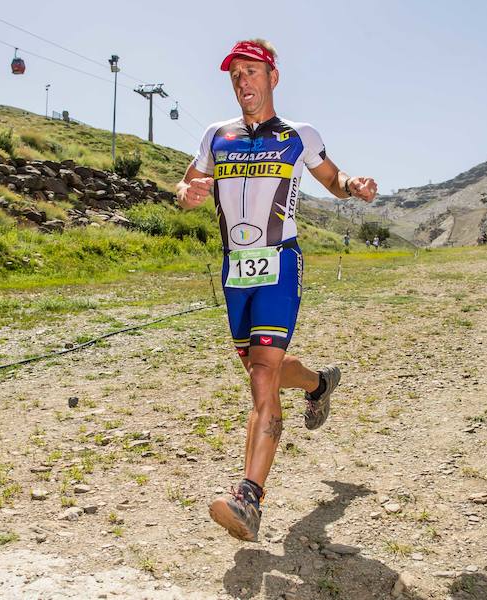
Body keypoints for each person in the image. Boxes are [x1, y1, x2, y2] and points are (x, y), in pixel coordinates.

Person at [176, 39, 377, 542]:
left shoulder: (297, 135)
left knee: (263, 375)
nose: (243, 81)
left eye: (251, 71)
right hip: (234, 269)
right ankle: (317, 384)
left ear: (272, 77)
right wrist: (188, 193)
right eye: (235, 74)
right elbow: (184, 188)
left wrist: (354, 185)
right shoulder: (215, 135)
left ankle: (249, 497)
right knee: (260, 368)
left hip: (280, 263)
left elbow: (333, 179)